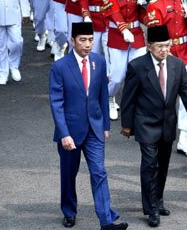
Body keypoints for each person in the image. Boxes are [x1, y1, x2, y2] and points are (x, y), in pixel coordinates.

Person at [120, 25, 187, 228]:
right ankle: (151, 210)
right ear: (149, 47)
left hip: (167, 124)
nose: (164, 50)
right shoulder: (137, 66)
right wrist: (127, 124)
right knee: (150, 165)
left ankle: (158, 200)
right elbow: (128, 98)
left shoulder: (177, 65)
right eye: (159, 46)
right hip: (146, 123)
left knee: (163, 165)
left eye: (167, 45)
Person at [48, 22, 128, 230]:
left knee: (99, 172)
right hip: (70, 133)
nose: (88, 44)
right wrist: (64, 134)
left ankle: (106, 220)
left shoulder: (99, 62)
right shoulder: (60, 67)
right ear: (72, 41)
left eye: (91, 40)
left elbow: (102, 95)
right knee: (68, 174)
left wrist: (105, 125)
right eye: (82, 40)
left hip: (94, 129)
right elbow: (56, 103)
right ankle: (69, 211)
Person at [145, 0, 187, 157]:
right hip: (165, 55)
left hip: (185, 54)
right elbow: (156, 33)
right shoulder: (155, 5)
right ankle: (157, 132)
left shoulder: (185, 1)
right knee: (163, 97)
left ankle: (184, 138)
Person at [102, 0, 147, 120]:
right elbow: (113, 11)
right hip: (118, 37)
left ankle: (135, 103)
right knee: (117, 76)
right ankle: (109, 98)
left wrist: (151, 20)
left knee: (141, 72)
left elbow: (141, 11)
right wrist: (123, 28)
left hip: (136, 35)